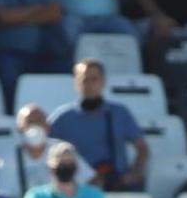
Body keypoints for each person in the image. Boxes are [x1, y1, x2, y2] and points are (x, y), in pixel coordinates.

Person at [49, 58, 148, 191]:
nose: (89, 85)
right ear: (76, 83)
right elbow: (44, 147)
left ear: (102, 82)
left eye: (94, 79)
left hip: (116, 182)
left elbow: (142, 148)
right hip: (78, 185)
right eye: (84, 80)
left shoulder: (119, 113)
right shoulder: (63, 117)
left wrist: (134, 173)